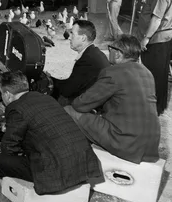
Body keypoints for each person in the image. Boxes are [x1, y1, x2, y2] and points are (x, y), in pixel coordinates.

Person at [0, 70, 101, 195]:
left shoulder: (16, 108)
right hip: (83, 166)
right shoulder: (47, 98)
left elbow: (9, 147)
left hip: (55, 172)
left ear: (7, 94)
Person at [65, 35, 160, 164]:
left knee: (69, 111)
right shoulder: (147, 73)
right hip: (150, 146)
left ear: (118, 54)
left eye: (110, 49)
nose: (109, 52)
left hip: (125, 142)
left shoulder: (113, 72)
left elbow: (80, 105)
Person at [136, 0, 172, 116]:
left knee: (154, 76)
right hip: (160, 40)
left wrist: (146, 38)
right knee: (159, 75)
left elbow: (156, 20)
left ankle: (154, 109)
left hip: (156, 41)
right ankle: (159, 107)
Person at [52, 20, 110, 106]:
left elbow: (66, 91)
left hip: (93, 108)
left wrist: (52, 80)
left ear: (83, 38)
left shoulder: (88, 59)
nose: (70, 37)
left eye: (72, 34)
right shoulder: (95, 53)